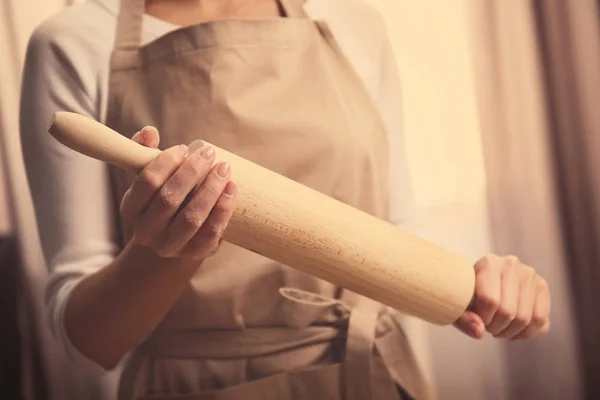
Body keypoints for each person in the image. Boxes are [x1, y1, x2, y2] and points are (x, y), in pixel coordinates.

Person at [20, 0, 551, 399]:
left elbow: (394, 229)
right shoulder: (75, 41)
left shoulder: (345, 17)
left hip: (374, 374)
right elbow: (87, 346)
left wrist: (473, 284)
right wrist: (161, 254)